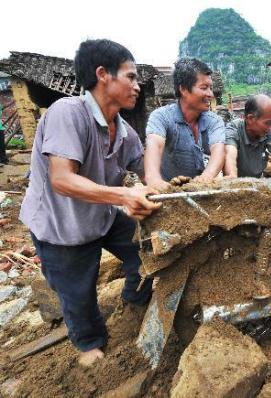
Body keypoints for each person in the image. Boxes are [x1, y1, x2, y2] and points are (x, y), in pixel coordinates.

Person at [19, 39, 161, 367]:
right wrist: (126, 195)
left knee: (149, 249)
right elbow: (62, 179)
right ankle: (89, 344)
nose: (137, 86)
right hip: (61, 226)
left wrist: (173, 185)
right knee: (78, 293)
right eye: (131, 76)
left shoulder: (125, 133)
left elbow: (149, 175)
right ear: (103, 75)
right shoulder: (67, 114)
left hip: (101, 215)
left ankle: (132, 304)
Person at [144, 58, 225, 189]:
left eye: (211, 88)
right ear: (183, 89)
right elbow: (155, 145)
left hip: (203, 191)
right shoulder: (161, 117)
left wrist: (206, 178)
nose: (210, 94)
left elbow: (218, 150)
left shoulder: (214, 121)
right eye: (204, 88)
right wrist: (154, 180)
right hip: (170, 191)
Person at [224, 94, 271, 178]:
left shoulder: (268, 131)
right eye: (267, 123)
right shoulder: (233, 129)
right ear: (250, 118)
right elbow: (230, 154)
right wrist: (232, 176)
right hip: (237, 183)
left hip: (257, 182)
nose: (270, 127)